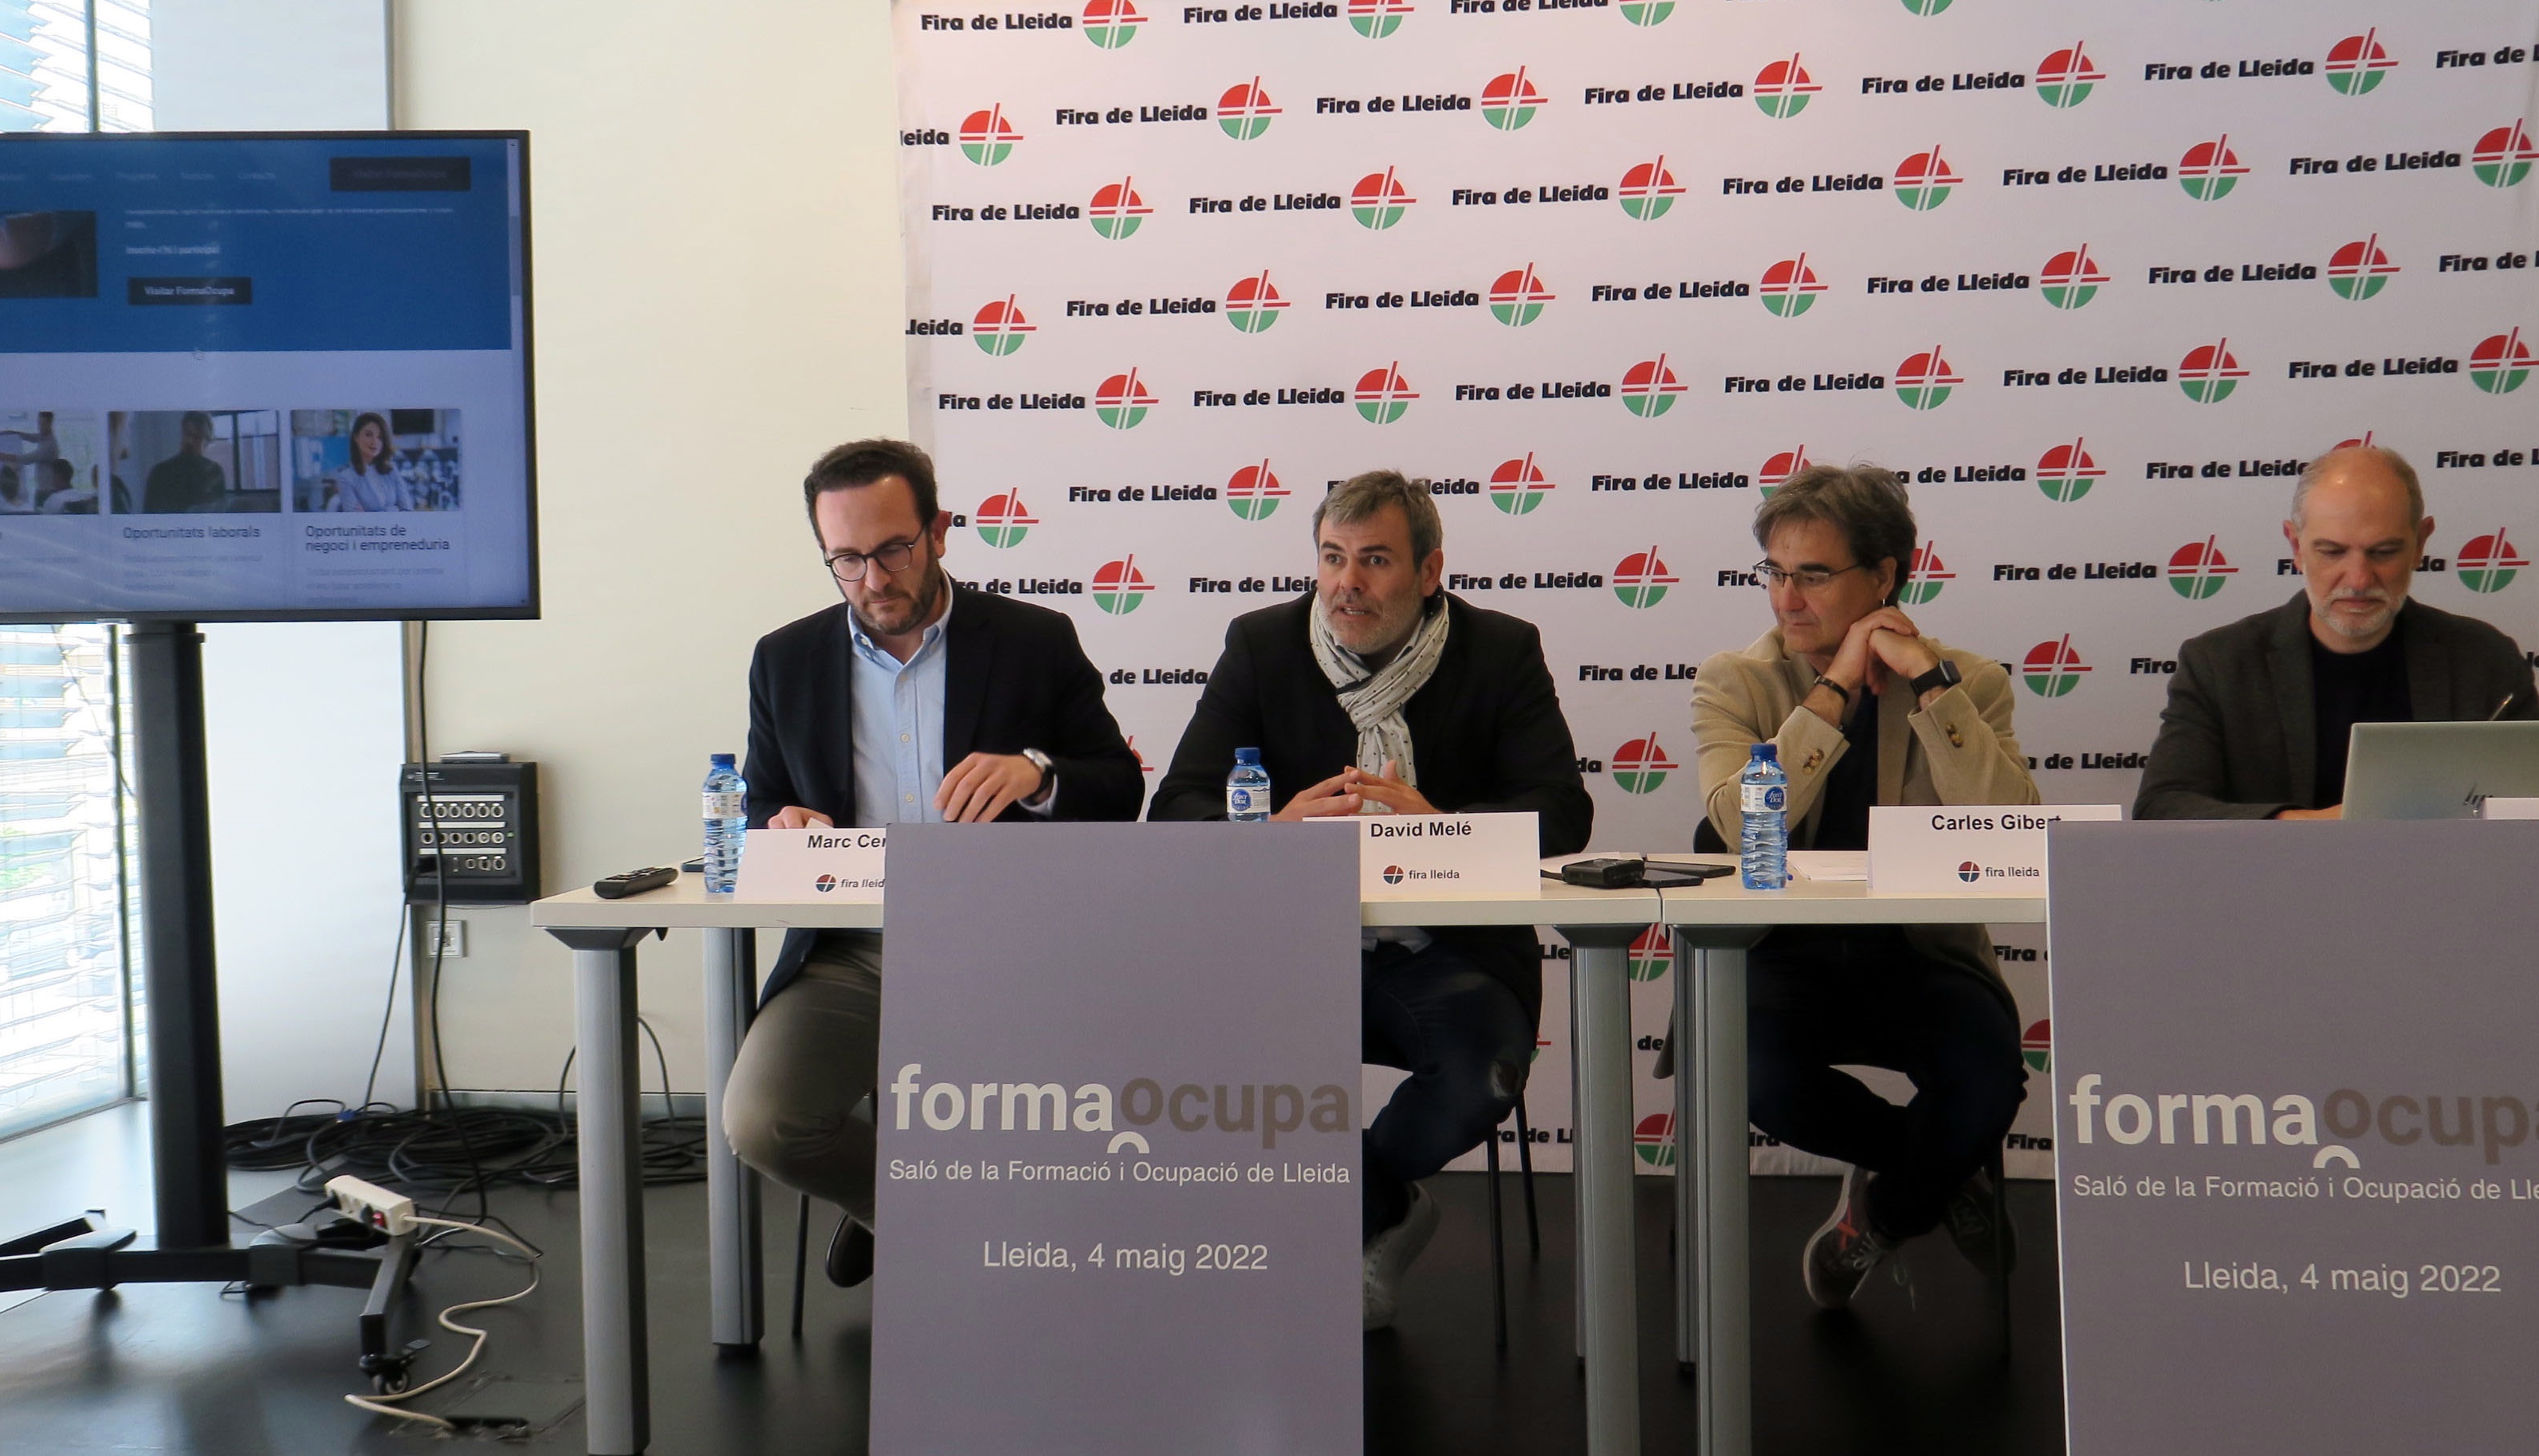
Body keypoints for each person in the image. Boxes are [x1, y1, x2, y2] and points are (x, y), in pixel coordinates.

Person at [1148, 470, 1594, 1329]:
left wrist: (1443, 828)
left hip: (1447, 952)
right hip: (1294, 947)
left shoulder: (1500, 650)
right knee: (1187, 1055)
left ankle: (1348, 1206)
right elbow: (1178, 807)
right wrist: (1271, 827)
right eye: (1332, 558)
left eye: (1375, 560)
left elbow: (1563, 812)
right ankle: (1377, 1211)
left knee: (1483, 1072)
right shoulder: (1263, 645)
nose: (1346, 583)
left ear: (1429, 571)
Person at [723, 438, 1142, 1288]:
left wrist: (1037, 774)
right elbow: (762, 799)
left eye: (893, 550)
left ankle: (944, 1234)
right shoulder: (786, 659)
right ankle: (939, 1225)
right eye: (846, 559)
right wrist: (779, 821)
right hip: (852, 950)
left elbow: (1120, 786)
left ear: (940, 531)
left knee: (1084, 1126)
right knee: (765, 1121)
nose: (873, 579)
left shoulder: (1033, 640)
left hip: (1012, 949)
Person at [1689, 463, 2035, 1310]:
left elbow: (2011, 827)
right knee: (1752, 1070)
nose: (1786, 598)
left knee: (1988, 1081)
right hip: (1778, 955)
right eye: (1775, 572)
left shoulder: (1969, 681)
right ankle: (1936, 1174)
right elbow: (1741, 829)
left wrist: (1928, 683)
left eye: (1812, 575)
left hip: (1918, 956)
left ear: (1883, 576)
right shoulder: (1736, 680)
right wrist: (1835, 687)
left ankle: (1881, 1214)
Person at [2135, 442, 2539, 819]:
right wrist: (2304, 827)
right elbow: (2162, 807)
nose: (2359, 579)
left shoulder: (2483, 659)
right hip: (2279, 874)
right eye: (2332, 552)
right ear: (2295, 547)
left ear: (2421, 544)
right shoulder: (2219, 663)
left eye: (2384, 552)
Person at [323, 411, 415, 512]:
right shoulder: (346, 478)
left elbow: (408, 510)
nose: (374, 442)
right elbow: (356, 519)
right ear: (356, 437)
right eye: (368, 435)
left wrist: (370, 512)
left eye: (380, 437)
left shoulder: (391, 469)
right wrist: (393, 509)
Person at [141, 411, 230, 513]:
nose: (189, 441)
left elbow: (220, 511)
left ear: (207, 441)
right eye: (187, 434)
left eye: (197, 437)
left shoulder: (215, 472)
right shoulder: (160, 472)